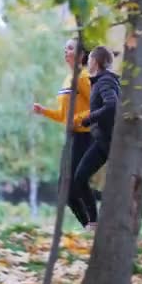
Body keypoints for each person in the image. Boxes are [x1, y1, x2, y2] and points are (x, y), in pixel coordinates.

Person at [73, 46, 142, 234]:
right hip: (103, 142)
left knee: (127, 186)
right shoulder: (102, 81)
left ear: (96, 62)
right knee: (80, 177)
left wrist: (90, 118)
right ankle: (94, 224)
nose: (87, 62)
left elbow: (112, 105)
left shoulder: (105, 81)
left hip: (114, 143)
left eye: (89, 59)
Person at [32, 37, 96, 228]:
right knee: (66, 190)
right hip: (72, 137)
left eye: (69, 48)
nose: (65, 51)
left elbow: (99, 106)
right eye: (65, 48)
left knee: (71, 187)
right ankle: (90, 225)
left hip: (85, 136)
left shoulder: (84, 77)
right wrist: (44, 111)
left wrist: (76, 120)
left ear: (81, 55)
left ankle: (92, 225)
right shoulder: (68, 78)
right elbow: (63, 115)